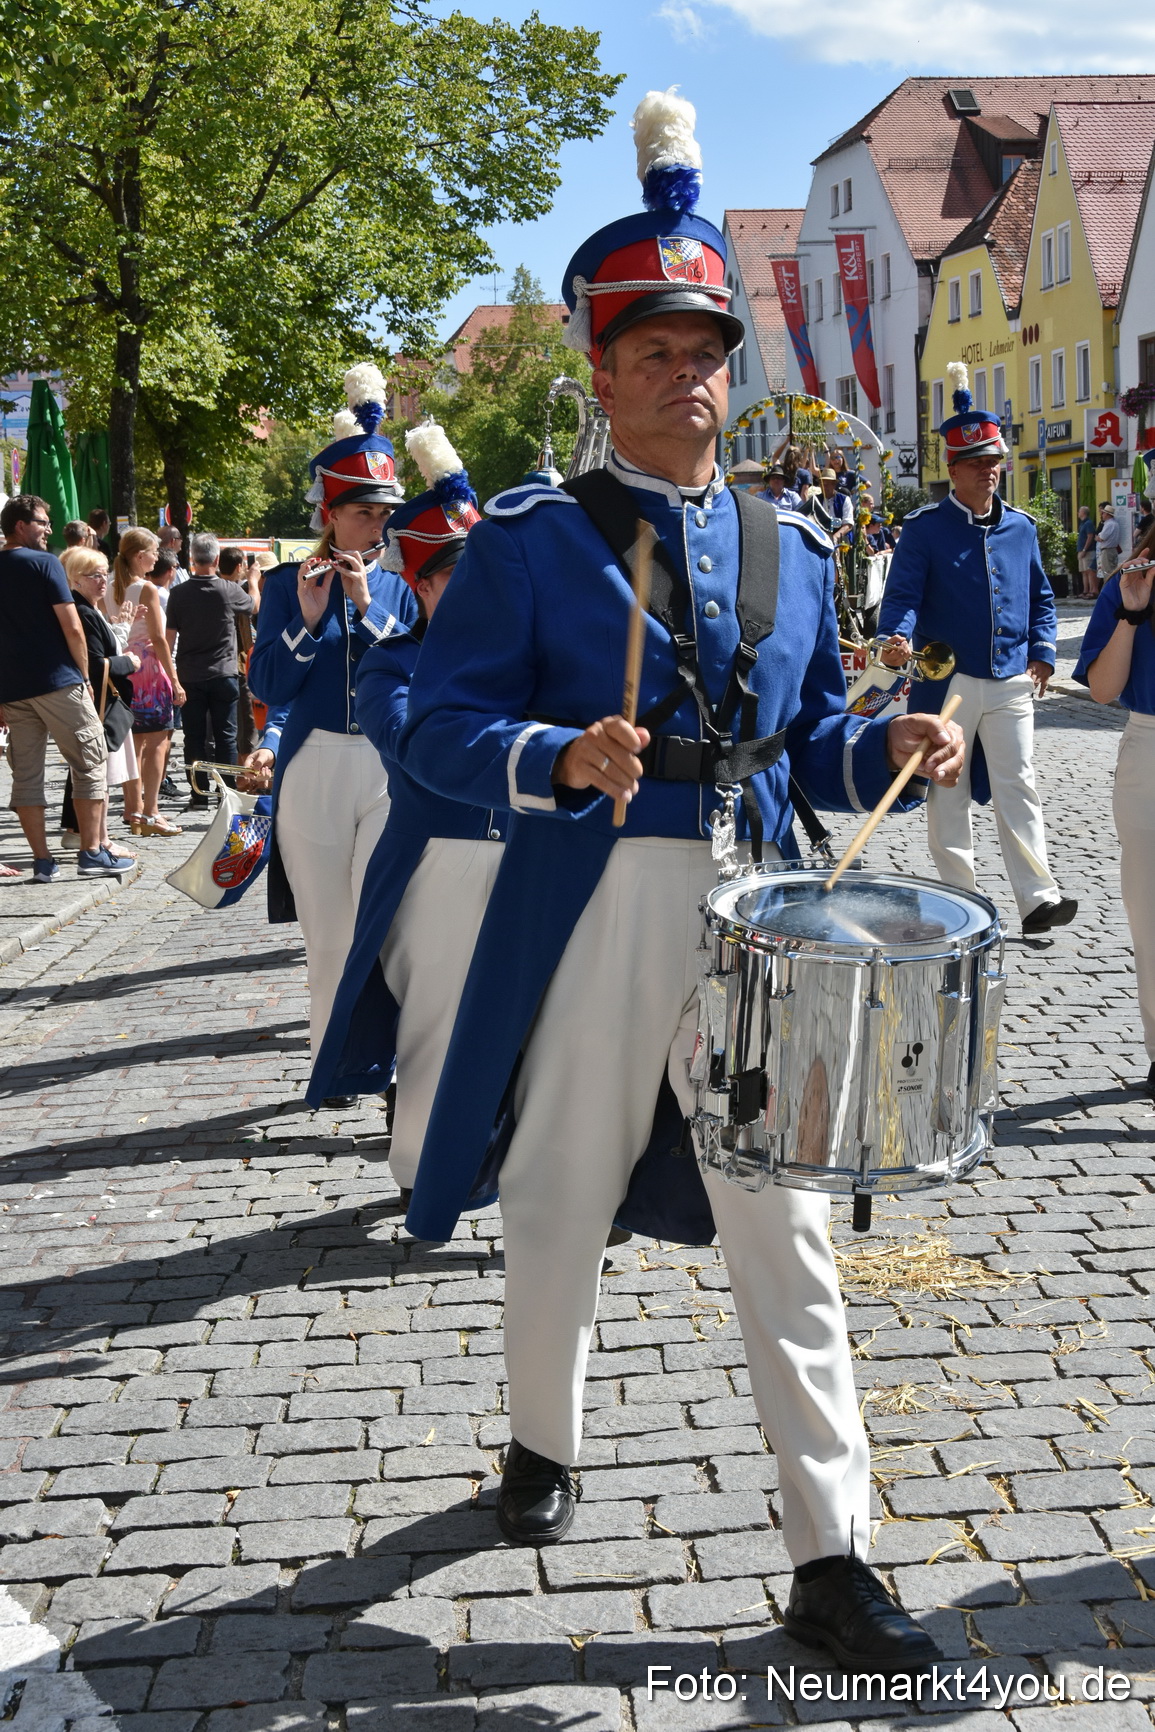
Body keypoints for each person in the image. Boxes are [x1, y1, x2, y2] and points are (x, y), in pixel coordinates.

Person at [395, 91, 964, 1673]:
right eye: (652, 353)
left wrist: (888, 743)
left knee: (783, 1234)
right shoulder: (526, 544)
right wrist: (551, 756)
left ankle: (831, 1558)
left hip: (759, 924)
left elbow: (803, 746)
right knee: (558, 1187)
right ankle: (540, 1439)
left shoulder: (790, 548)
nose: (687, 377)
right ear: (597, 370)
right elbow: (438, 734)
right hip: (592, 910)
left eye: (705, 350)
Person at [306, 423, 507, 1194]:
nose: (478, 591)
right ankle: (428, 1172)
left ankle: (534, 1176)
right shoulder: (393, 664)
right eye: (457, 575)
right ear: (420, 584)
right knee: (436, 1027)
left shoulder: (528, 661)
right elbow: (416, 748)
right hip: (437, 865)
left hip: (528, 858)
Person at [246, 363, 416, 1074]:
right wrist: (310, 621)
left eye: (383, 513)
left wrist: (369, 604)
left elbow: (414, 669)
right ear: (330, 514)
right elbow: (266, 681)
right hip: (313, 763)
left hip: (385, 768)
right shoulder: (288, 585)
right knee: (329, 932)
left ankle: (395, 1061)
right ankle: (332, 1059)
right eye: (362, 512)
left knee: (392, 926)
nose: (376, 524)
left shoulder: (405, 589)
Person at [879, 361, 1075, 937]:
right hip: (949, 681)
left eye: (995, 463)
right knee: (950, 792)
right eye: (978, 465)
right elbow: (905, 596)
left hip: (1012, 676)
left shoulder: (1022, 527)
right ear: (954, 470)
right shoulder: (924, 529)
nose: (990, 474)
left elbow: (1040, 593)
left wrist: (1043, 649)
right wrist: (897, 637)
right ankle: (961, 904)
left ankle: (1039, 897)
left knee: (1019, 782)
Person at [0, 495, 131, 881]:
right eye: (42, 522)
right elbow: (73, 627)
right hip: (59, 682)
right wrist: (86, 677)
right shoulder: (44, 564)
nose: (49, 529)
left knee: (26, 777)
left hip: (14, 690)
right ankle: (91, 852)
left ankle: (42, 861)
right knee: (90, 763)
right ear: (21, 525)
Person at [1075, 521, 1155, 1098]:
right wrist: (1130, 613)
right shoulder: (1131, 581)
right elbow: (1102, 691)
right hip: (1149, 747)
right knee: (1150, 916)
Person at [58, 546, 142, 855]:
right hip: (96, 702)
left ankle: (78, 831)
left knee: (90, 771)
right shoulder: (82, 611)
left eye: (103, 573)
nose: (102, 581)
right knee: (95, 773)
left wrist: (121, 629)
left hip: (98, 701)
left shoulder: (88, 609)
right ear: (76, 580)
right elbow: (96, 664)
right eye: (94, 575)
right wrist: (129, 662)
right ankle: (96, 839)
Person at [165, 533, 254, 805]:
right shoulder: (228, 590)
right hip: (224, 674)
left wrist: (172, 677)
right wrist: (253, 581)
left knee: (194, 737)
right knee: (227, 737)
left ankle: (198, 793)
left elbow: (169, 639)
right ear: (216, 559)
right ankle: (226, 794)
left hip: (190, 674)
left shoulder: (178, 594)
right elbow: (254, 606)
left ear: (192, 559)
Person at [108, 527, 184, 838]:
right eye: (153, 551)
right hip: (149, 672)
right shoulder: (146, 589)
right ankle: (151, 810)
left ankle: (133, 808)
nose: (158, 556)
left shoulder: (110, 586)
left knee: (132, 745)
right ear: (141, 556)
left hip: (122, 670)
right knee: (157, 744)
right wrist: (175, 679)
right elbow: (158, 638)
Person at [218, 547, 261, 759]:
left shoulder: (214, 587)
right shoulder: (234, 590)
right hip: (237, 663)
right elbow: (254, 606)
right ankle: (245, 774)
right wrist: (253, 580)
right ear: (239, 567)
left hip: (219, 664)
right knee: (246, 719)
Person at [1097, 504, 1122, 589]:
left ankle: (1109, 590)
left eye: (1103, 513)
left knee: (1107, 572)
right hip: (1113, 550)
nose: (1102, 515)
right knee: (1112, 570)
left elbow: (1102, 537)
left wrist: (1098, 537)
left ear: (1107, 514)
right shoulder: (1115, 523)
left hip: (1107, 550)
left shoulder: (1109, 524)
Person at [1076, 504, 1098, 599]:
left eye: (1079, 511)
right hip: (1081, 550)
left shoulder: (1088, 523)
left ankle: (1091, 590)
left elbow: (1090, 536)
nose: (1078, 513)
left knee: (1089, 571)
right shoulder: (1082, 523)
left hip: (1088, 551)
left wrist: (1085, 549)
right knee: (1083, 572)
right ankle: (1085, 591)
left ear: (1084, 513)